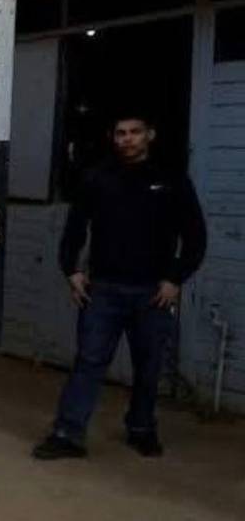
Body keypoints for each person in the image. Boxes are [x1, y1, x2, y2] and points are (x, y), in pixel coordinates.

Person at [33, 115, 206, 460]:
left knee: (148, 366)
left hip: (153, 293)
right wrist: (71, 270)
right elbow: (75, 228)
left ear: (150, 135)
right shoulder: (98, 178)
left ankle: (141, 428)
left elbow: (195, 237)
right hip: (104, 291)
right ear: (113, 138)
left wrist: (175, 279)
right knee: (89, 362)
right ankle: (68, 433)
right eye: (121, 134)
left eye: (135, 133)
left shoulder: (171, 181)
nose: (127, 139)